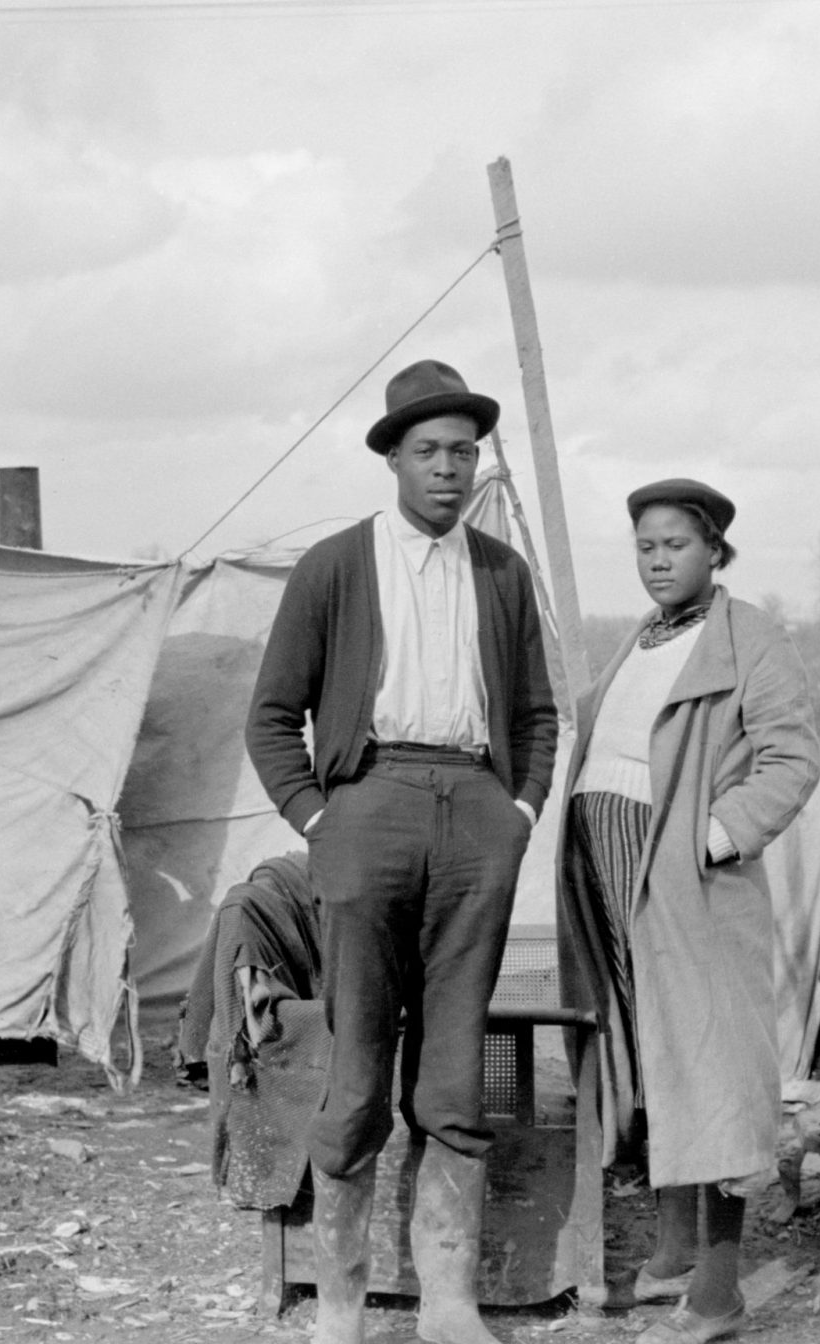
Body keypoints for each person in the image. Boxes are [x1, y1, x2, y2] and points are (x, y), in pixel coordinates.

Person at [246, 358, 558, 1344]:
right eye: (427, 452)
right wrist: (316, 818)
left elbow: (538, 715)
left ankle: (448, 1300)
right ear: (392, 460)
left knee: (454, 1075)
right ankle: (338, 1303)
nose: (448, 471)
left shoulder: (502, 573)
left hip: (475, 813)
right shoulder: (335, 567)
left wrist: (516, 810)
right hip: (365, 810)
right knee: (354, 1073)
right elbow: (268, 719)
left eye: (463, 453)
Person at [557, 479, 820, 1344]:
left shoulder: (748, 637)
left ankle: (718, 1289)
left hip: (687, 883)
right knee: (651, 1057)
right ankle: (673, 1252)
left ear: (715, 550)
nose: (659, 559)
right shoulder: (640, 639)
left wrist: (713, 837)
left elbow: (789, 759)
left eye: (675, 544)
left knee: (712, 1069)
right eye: (645, 546)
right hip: (608, 873)